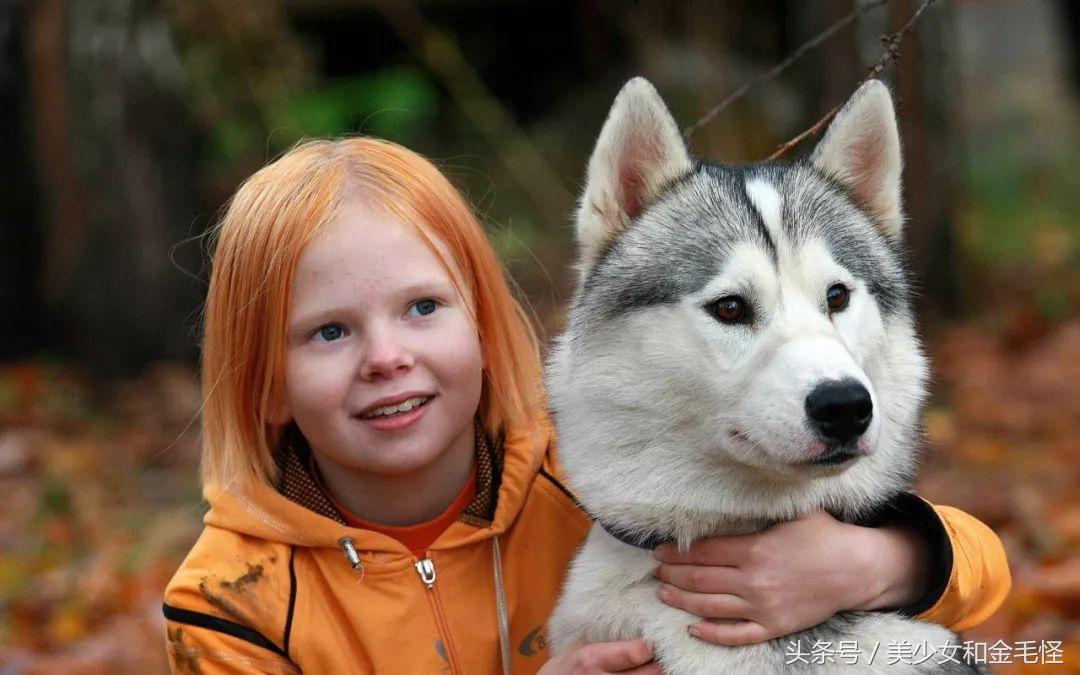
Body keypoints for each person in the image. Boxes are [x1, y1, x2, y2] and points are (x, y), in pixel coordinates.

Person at [163, 137, 1010, 674]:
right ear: (261, 381)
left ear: (485, 324)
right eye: (328, 331)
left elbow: (982, 568)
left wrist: (876, 564)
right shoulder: (232, 599)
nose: (388, 356)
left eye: (423, 308)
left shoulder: (596, 481)